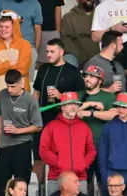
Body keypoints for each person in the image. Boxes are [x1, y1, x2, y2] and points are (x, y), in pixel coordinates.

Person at [33, 39, 84, 184]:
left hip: (62, 121)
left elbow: (80, 97)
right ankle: (39, 194)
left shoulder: (72, 71)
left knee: (62, 157)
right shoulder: (43, 69)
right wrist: (32, 109)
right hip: (41, 119)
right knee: (39, 157)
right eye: (47, 51)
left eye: (52, 52)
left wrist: (60, 96)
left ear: (61, 52)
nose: (48, 55)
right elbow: (36, 92)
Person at [0, 68, 41, 196]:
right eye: (7, 86)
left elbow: (38, 126)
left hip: (22, 145)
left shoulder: (30, 101)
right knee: (1, 184)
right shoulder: (2, 95)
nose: (9, 89)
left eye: (13, 86)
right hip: (4, 146)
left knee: (21, 184)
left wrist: (18, 130)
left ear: (21, 83)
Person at [0, 12, 32, 142]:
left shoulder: (25, 45)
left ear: (14, 27)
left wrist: (1, 65)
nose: (2, 30)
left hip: (21, 95)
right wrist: (9, 64)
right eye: (1, 26)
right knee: (0, 130)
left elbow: (22, 69)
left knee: (22, 130)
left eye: (6, 27)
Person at [40, 91, 96, 196]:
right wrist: (59, 164)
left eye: (75, 104)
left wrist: (83, 164)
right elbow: (43, 150)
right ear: (62, 107)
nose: (73, 107)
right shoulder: (51, 126)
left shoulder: (84, 127)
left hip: (79, 178)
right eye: (70, 104)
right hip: (57, 178)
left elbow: (91, 150)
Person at [77, 65, 117, 194]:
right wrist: (89, 104)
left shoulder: (108, 96)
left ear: (100, 80)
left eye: (91, 76)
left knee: (103, 180)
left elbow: (113, 115)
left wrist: (91, 113)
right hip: (81, 146)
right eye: (86, 76)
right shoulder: (78, 95)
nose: (87, 79)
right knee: (85, 181)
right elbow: (71, 112)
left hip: (102, 145)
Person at [0, 0, 42, 78]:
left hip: (28, 48)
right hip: (4, 49)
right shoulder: (0, 2)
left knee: (25, 82)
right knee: (3, 81)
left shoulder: (34, 3)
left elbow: (38, 29)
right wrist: (11, 21)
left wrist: (34, 51)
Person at [61, 0, 98, 66]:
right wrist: (83, 57)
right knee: (68, 59)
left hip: (100, 57)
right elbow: (67, 43)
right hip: (79, 59)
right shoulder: (68, 17)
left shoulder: (100, 14)